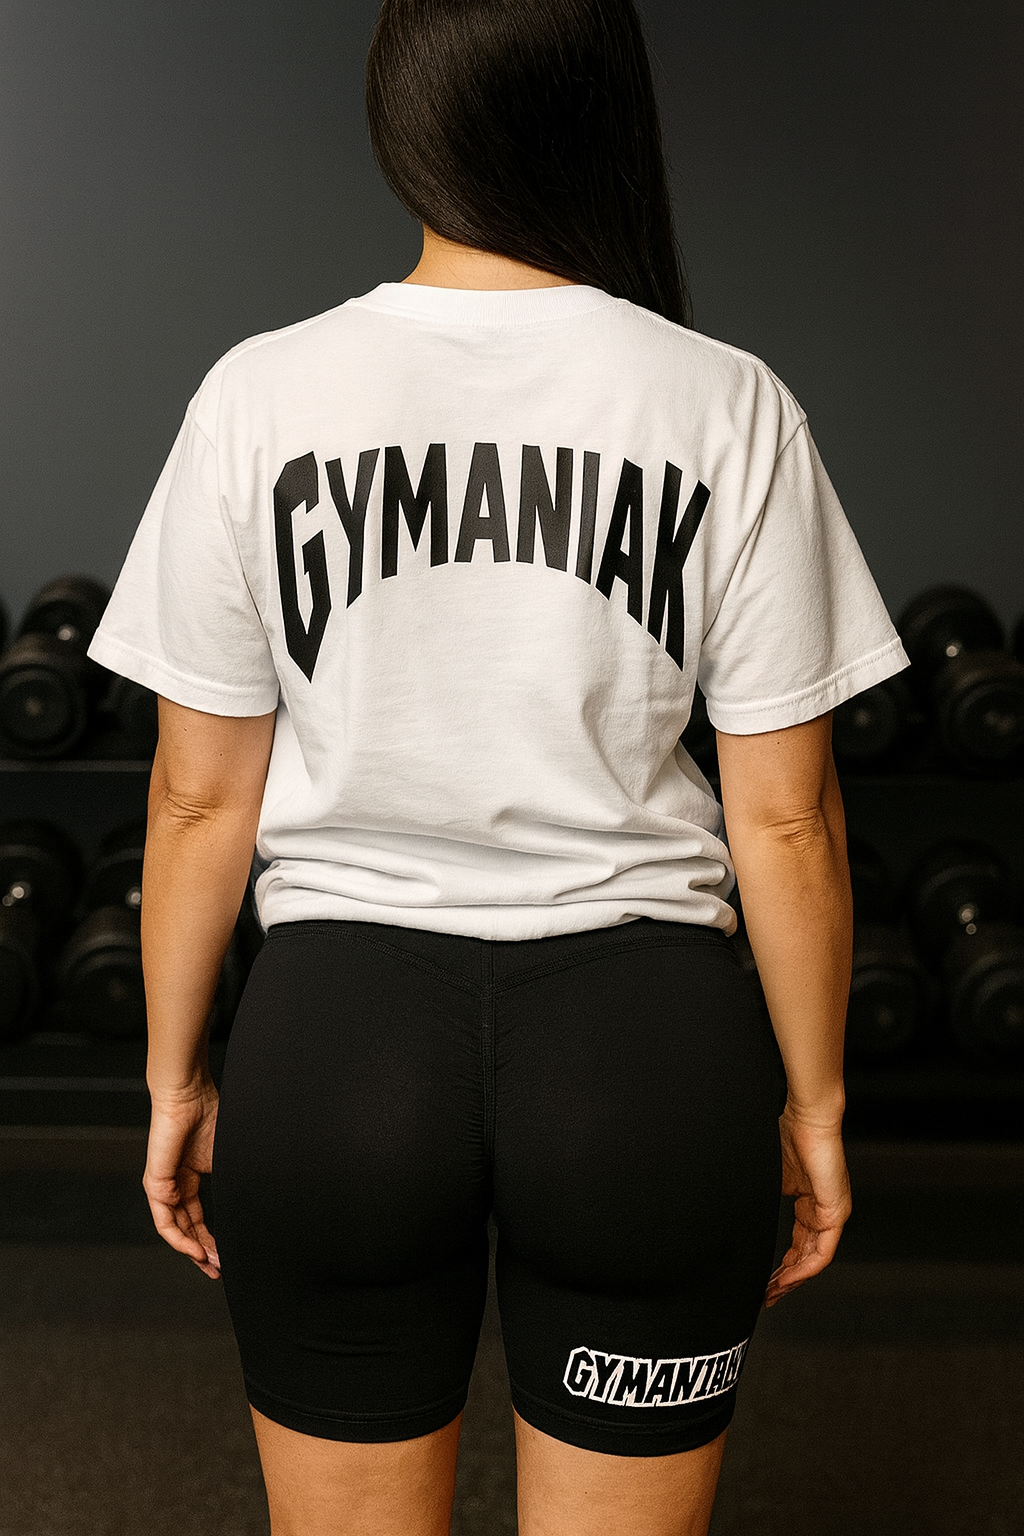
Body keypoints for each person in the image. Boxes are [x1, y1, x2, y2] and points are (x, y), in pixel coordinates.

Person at [88, 1, 910, 1531]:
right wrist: (815, 1105)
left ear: (402, 122)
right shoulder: (725, 398)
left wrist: (176, 1076)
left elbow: (199, 800)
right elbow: (788, 820)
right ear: (605, 115)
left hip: (333, 1053)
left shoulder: (258, 392)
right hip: (641, 1065)